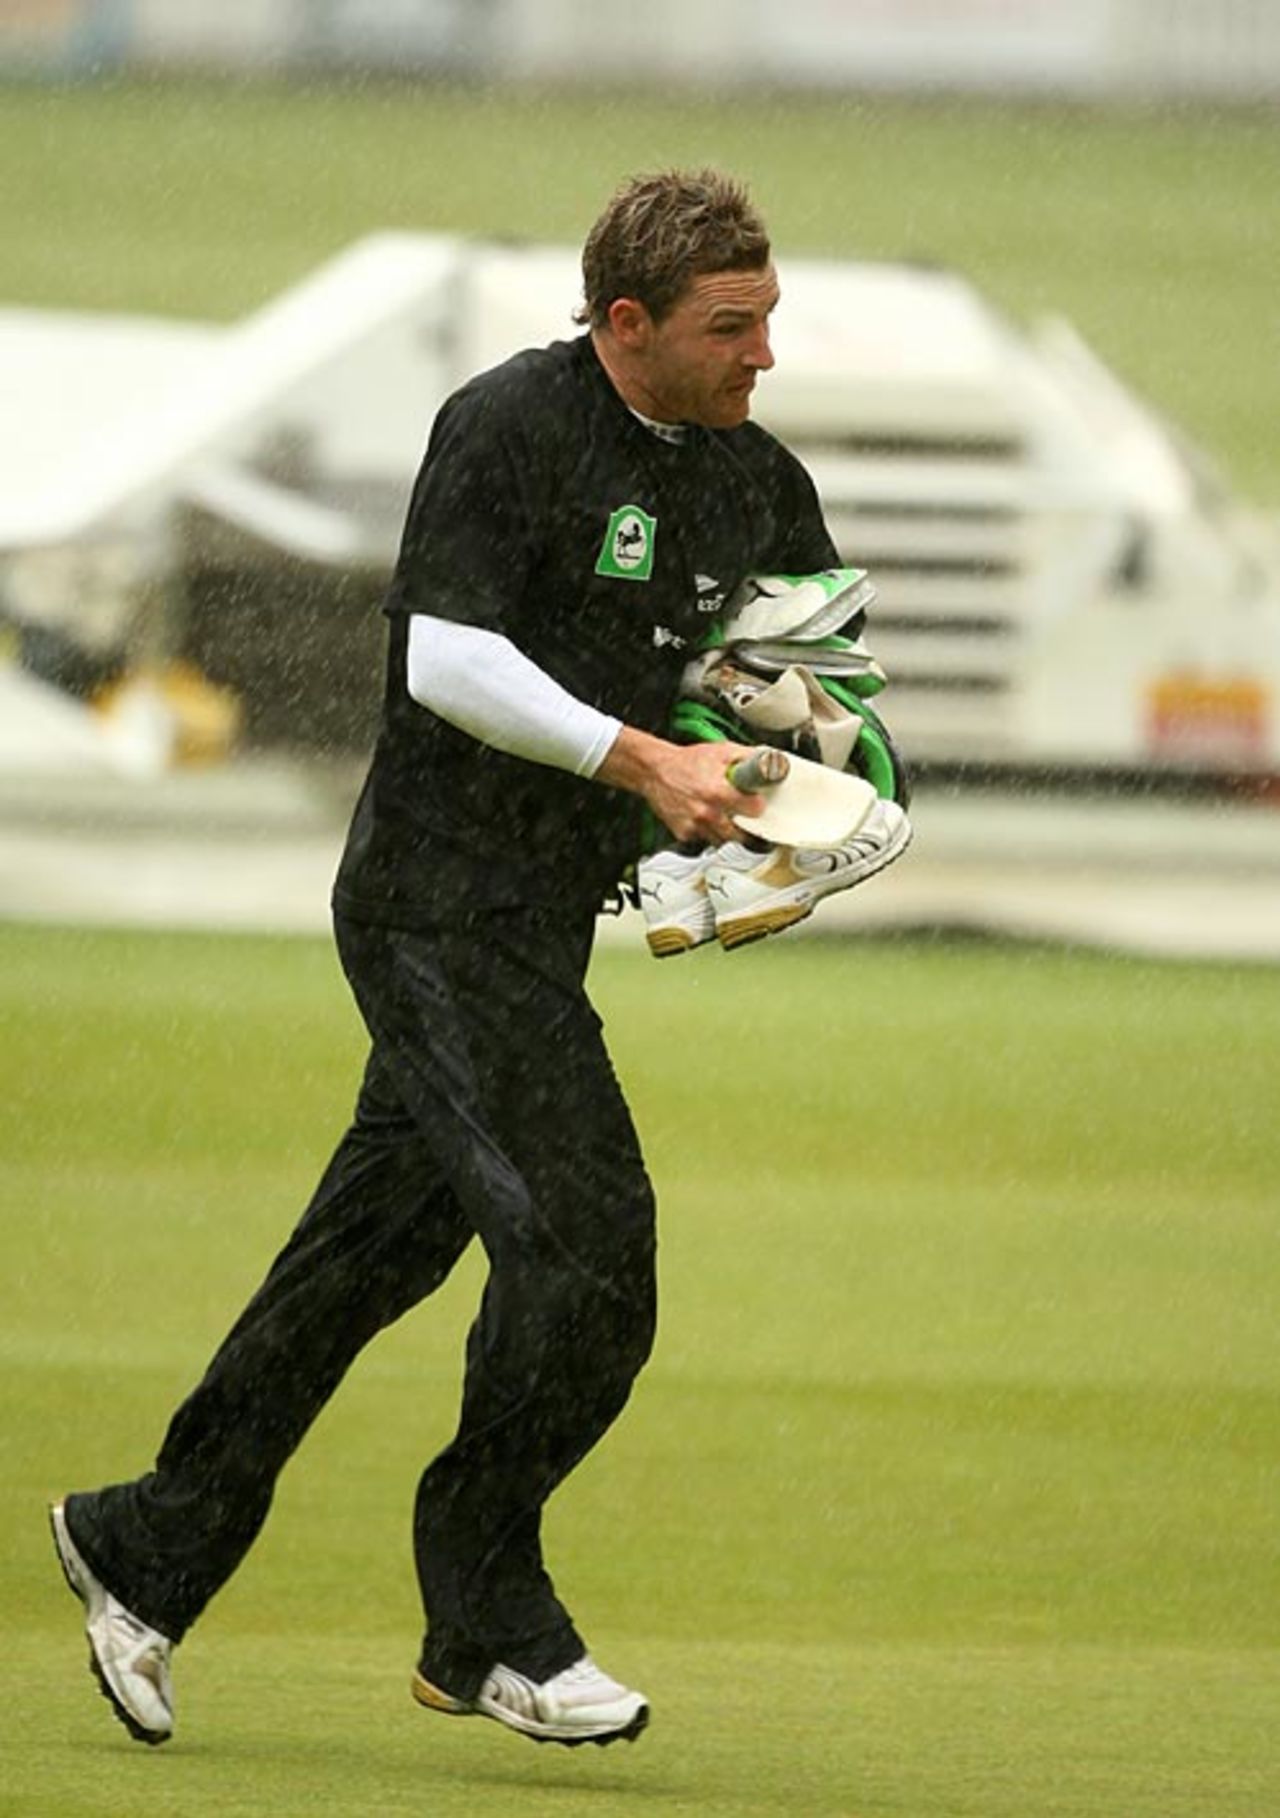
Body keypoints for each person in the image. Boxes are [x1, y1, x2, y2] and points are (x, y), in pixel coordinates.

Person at [50, 168, 904, 1753]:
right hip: (432, 909)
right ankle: (485, 1613)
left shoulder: (756, 482)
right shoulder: (507, 425)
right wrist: (648, 763)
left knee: (366, 1260)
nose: (764, 355)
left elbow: (808, 685)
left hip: (540, 927)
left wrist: (811, 810)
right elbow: (447, 657)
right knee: (589, 1260)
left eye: (772, 319)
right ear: (625, 322)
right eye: (733, 326)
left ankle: (148, 1537)